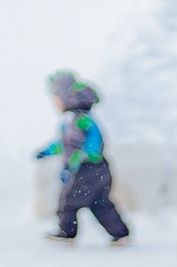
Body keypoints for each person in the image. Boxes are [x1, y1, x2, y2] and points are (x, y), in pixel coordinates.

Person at [38, 70, 128, 245]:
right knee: (99, 203)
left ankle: (67, 233)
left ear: (65, 97)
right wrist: (47, 151)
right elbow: (64, 144)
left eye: (56, 97)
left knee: (68, 201)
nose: (54, 102)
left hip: (88, 168)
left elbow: (94, 141)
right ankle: (120, 234)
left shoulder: (79, 119)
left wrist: (82, 156)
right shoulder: (73, 119)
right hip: (97, 169)